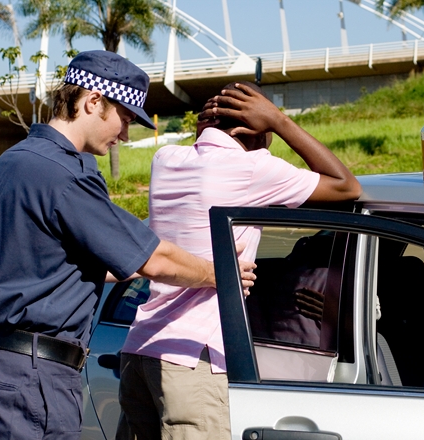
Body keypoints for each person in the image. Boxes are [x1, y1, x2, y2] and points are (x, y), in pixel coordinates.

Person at [0, 51, 255, 440]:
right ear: (93, 102)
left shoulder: (15, 161)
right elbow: (153, 258)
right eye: (126, 118)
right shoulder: (63, 174)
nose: (125, 134)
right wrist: (221, 274)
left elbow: (62, 264)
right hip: (29, 374)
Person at [117, 81, 362, 439]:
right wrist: (280, 120)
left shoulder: (165, 160)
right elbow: (346, 187)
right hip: (194, 359)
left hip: (141, 349)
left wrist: (212, 128)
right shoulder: (252, 168)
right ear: (254, 128)